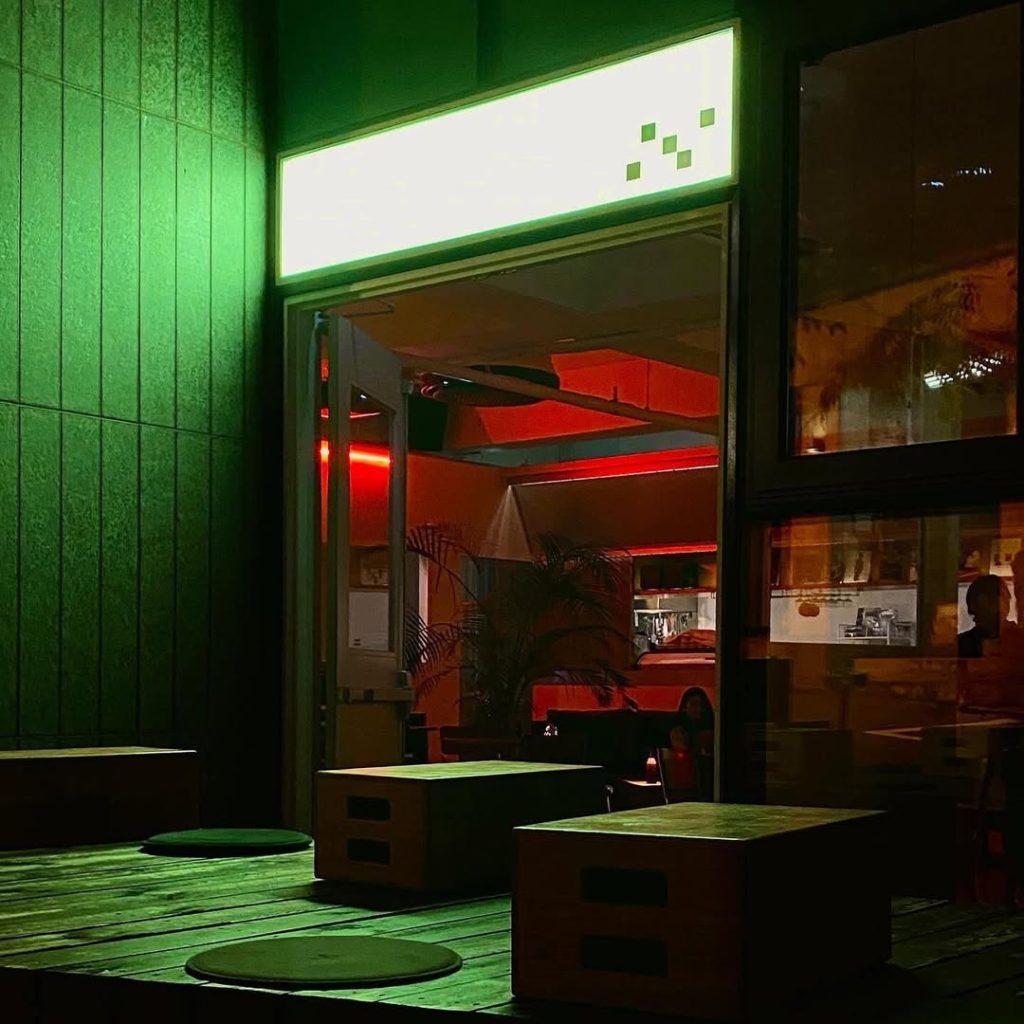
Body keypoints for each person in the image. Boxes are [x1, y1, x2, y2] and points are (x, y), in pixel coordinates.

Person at [958, 574, 1012, 658]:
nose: (1007, 603)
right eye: (1003, 596)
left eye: (1007, 597)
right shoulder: (960, 645)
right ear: (982, 601)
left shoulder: (1018, 639)